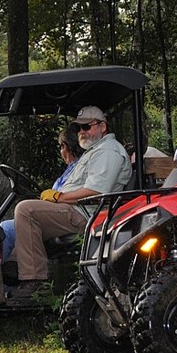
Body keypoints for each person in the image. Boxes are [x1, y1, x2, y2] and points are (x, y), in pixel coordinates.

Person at [9, 106, 132, 301]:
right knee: (18, 219)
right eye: (79, 128)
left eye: (87, 126)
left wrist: (58, 197)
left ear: (103, 126)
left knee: (25, 210)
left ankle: (34, 281)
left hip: (87, 214)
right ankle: (12, 270)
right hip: (73, 209)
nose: (82, 132)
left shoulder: (108, 151)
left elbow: (96, 192)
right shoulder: (94, 151)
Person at [0, 127, 84, 263]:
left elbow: (72, 194)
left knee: (8, 228)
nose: (61, 152)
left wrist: (55, 198)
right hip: (62, 212)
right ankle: (11, 272)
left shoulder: (79, 167)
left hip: (70, 214)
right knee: (9, 225)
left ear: (67, 146)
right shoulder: (72, 169)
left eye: (62, 147)